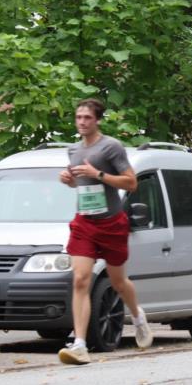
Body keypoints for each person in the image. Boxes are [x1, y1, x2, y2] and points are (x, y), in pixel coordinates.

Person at [57, 99, 152, 364]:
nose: (82, 122)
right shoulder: (73, 150)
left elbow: (131, 183)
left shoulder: (111, 147)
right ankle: (79, 344)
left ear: (97, 120)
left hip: (111, 223)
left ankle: (137, 316)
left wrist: (98, 174)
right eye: (78, 117)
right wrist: (69, 180)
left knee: (118, 281)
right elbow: (80, 183)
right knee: (80, 279)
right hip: (84, 223)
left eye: (87, 117)